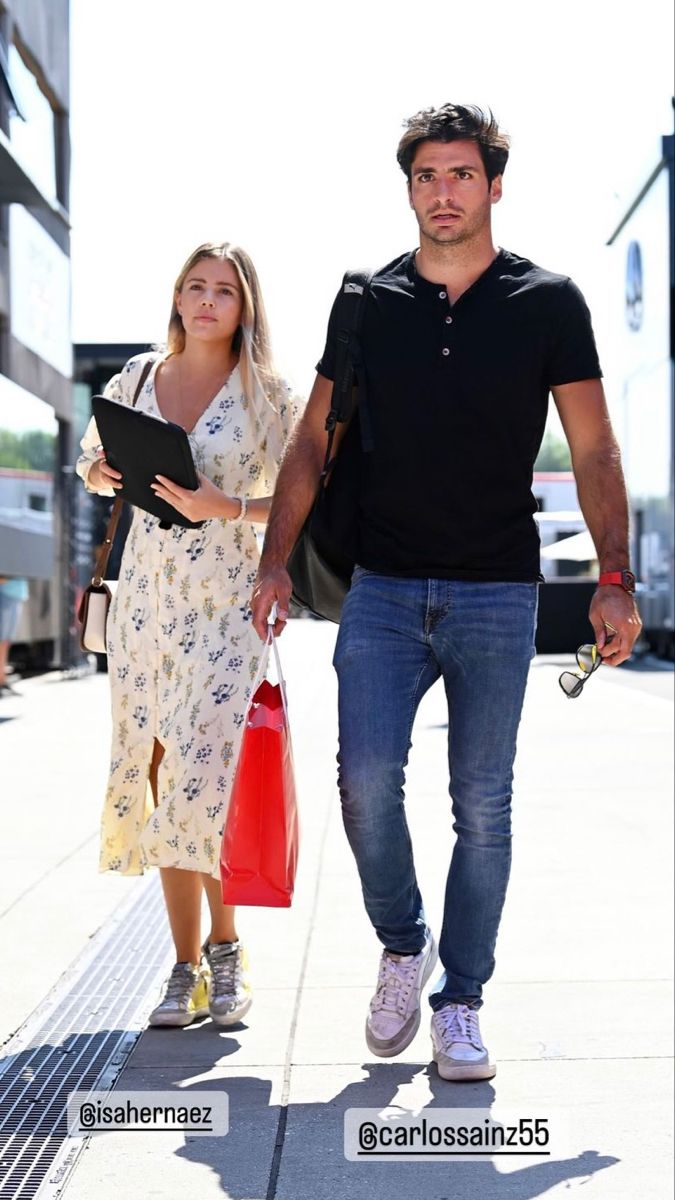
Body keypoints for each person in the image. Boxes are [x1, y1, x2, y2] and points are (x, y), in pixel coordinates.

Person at [251, 105, 642, 1081]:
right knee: (364, 779)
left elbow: (592, 447)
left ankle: (460, 1001)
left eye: (462, 174)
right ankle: (401, 941)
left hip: (497, 591)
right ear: (410, 188)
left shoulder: (548, 303)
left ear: (494, 185)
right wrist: (271, 560)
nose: (443, 191)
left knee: (484, 803)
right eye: (427, 175)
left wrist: (615, 576)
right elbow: (311, 440)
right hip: (382, 588)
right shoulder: (368, 300)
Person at [77, 241, 300, 1028]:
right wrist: (100, 472)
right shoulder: (135, 378)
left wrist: (229, 508)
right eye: (194, 287)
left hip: (226, 606)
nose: (206, 301)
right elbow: (93, 460)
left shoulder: (269, 396)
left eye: (224, 291)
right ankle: (183, 967)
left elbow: (310, 500)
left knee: (209, 779)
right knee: (162, 776)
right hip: (146, 603)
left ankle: (227, 951)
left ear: (245, 307)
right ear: (177, 298)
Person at [0, 576, 29, 695]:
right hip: (4, 594)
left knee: (6, 642)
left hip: (17, 596)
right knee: (1, 641)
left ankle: (2, 680)